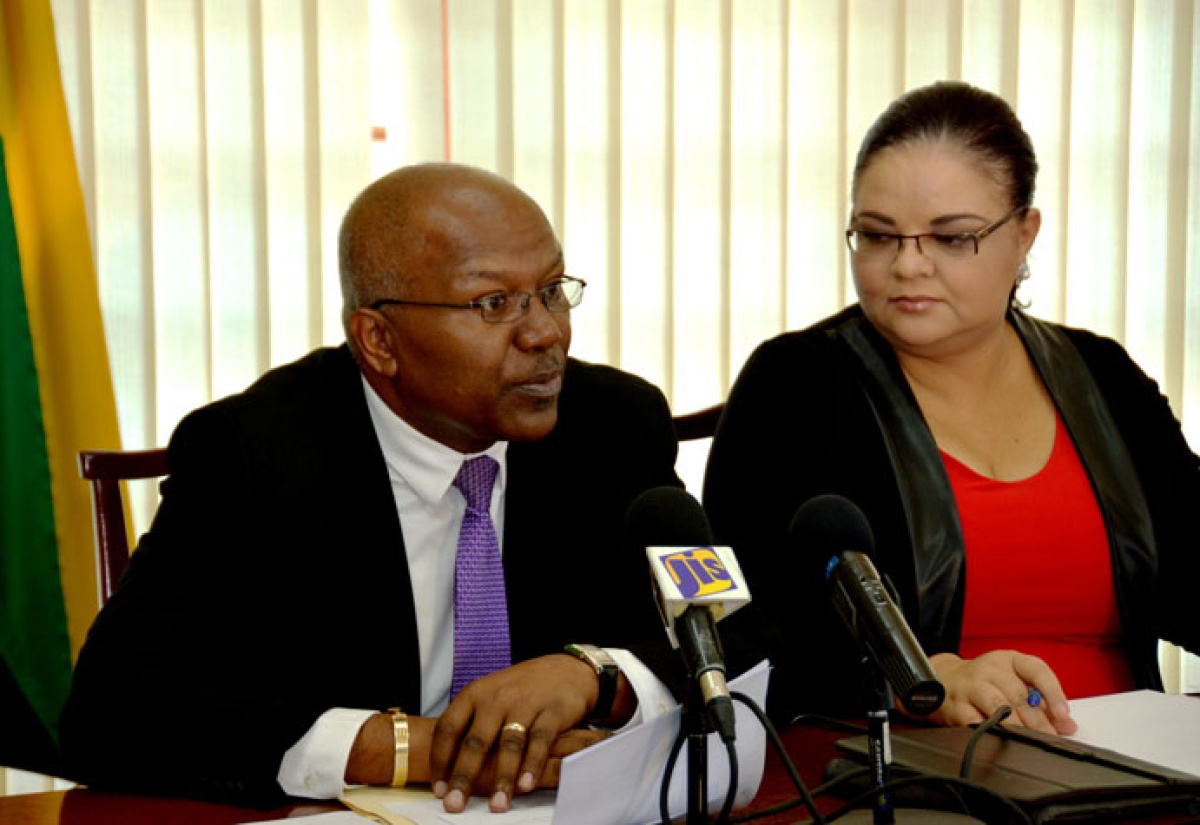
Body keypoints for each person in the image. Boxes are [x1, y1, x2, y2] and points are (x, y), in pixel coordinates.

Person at [59, 163, 687, 812]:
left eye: (552, 289)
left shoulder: (616, 423)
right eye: (494, 303)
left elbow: (742, 632)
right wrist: (414, 747)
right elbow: (109, 709)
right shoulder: (254, 453)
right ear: (379, 340)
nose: (545, 332)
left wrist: (599, 676)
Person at [703, 81, 1200, 736]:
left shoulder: (1103, 375)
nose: (908, 264)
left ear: (1025, 235)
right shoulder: (794, 386)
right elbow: (737, 626)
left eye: (950, 237)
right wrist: (918, 677)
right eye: (878, 236)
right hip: (914, 770)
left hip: (1132, 761)